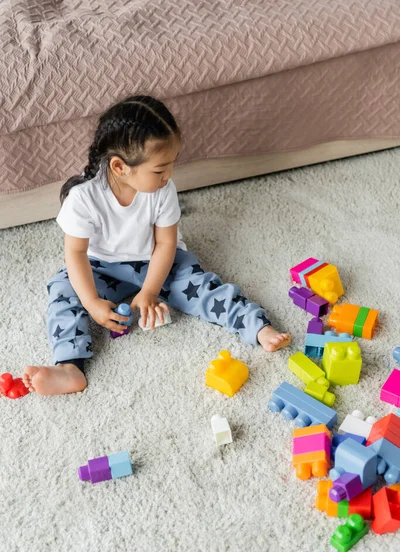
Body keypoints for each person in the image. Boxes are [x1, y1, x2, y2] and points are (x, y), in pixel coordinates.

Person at [22, 95, 291, 396]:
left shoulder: (163, 190)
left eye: (171, 166)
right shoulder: (84, 199)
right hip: (101, 267)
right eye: (160, 170)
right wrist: (92, 303)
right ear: (120, 167)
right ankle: (70, 366)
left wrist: (149, 291)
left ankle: (256, 327)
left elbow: (165, 243)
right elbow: (75, 253)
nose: (169, 176)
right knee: (63, 287)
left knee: (203, 287)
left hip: (158, 262)